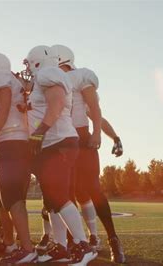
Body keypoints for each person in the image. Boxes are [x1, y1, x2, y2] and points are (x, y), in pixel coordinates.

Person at [51, 44, 126, 264]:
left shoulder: (80, 76)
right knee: (67, 193)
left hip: (81, 137)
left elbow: (94, 109)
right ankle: (76, 242)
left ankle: (113, 239)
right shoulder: (52, 81)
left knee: (93, 189)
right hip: (61, 139)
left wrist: (100, 135)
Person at [23, 45, 97, 265]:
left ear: (37, 61)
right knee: (52, 201)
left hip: (59, 142)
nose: (28, 68)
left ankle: (84, 246)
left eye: (29, 63)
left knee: (59, 196)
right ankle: (62, 247)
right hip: (54, 143)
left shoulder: (47, 73)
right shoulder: (46, 76)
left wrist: (38, 132)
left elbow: (56, 104)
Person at [0, 53, 36, 264]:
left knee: (12, 198)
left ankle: (27, 248)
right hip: (13, 141)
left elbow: (4, 106)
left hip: (11, 140)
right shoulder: (12, 80)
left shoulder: (3, 81)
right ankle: (10, 243)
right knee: (3, 198)